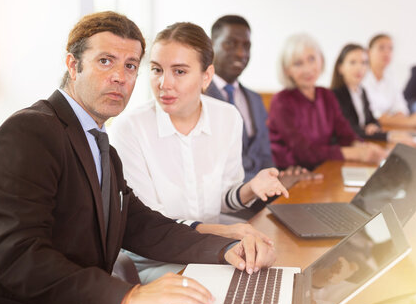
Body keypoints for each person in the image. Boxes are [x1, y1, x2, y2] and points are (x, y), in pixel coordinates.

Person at [0, 12, 274, 304]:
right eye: (106, 61)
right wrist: (127, 295)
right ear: (73, 65)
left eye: (131, 66)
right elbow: (20, 257)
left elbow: (139, 224)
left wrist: (222, 249)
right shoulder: (29, 133)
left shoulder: (99, 143)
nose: (120, 77)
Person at [109, 22, 286, 283]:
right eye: (157, 70)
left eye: (179, 71)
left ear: (206, 76)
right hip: (157, 259)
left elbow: (223, 197)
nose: (164, 83)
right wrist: (227, 232)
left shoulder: (227, 117)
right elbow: (151, 224)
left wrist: (250, 188)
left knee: (267, 278)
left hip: (214, 251)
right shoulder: (129, 128)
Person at [205, 15, 317, 184]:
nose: (240, 53)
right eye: (230, 44)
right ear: (211, 45)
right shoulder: (199, 98)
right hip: (225, 200)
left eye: (246, 46)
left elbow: (266, 156)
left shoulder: (255, 99)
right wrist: (262, 184)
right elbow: (211, 168)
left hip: (261, 194)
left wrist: (277, 178)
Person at [268, 34, 387, 171]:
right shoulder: (281, 101)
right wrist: (355, 153)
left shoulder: (326, 95)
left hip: (324, 168)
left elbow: (345, 134)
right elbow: (303, 153)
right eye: (298, 63)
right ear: (287, 70)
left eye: (312, 59)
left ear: (321, 60)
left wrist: (363, 147)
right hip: (293, 175)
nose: (308, 69)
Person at [331, 44, 416, 145]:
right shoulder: (334, 95)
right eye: (353, 62)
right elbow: (350, 130)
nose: (359, 68)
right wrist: (388, 136)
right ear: (340, 67)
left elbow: (371, 119)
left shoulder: (361, 91)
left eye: (364, 63)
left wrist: (373, 126)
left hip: (363, 143)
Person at [363, 34, 416, 128]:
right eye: (381, 48)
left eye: (390, 49)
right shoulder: (362, 78)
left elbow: (401, 106)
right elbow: (373, 116)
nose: (387, 52)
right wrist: (408, 121)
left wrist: (398, 115)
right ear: (368, 52)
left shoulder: (390, 77)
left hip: (391, 128)